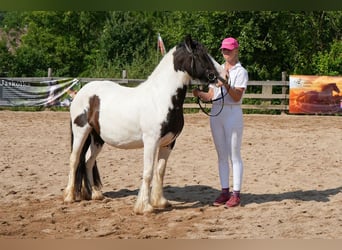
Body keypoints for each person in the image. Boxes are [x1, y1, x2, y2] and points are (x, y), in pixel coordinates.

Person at [192, 37, 248, 208]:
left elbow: (237, 96)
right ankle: (225, 191)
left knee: (234, 155)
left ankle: (236, 193)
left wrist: (224, 84)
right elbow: (210, 96)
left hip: (232, 112)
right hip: (217, 112)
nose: (225, 53)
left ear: (236, 50)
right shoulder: (217, 70)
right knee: (221, 155)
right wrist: (198, 93)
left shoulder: (241, 72)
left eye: (229, 50)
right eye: (224, 50)